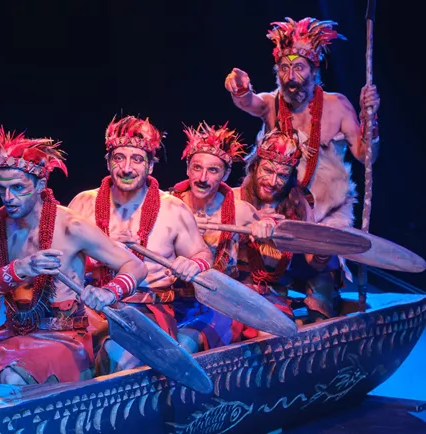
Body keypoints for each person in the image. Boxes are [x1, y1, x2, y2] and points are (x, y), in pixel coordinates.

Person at [0, 124, 147, 387]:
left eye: (18, 187)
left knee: (11, 378)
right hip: (14, 335)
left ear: (41, 184)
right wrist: (20, 269)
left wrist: (109, 292)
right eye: (2, 188)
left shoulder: (71, 226)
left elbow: (135, 265)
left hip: (64, 340)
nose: (9, 197)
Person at [224, 17, 381, 318]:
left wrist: (369, 118)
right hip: (278, 209)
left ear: (314, 70)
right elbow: (250, 102)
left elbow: (365, 156)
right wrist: (239, 89)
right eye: (284, 68)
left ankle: (322, 298)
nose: (290, 76)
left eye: (299, 68)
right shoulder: (272, 104)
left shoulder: (337, 105)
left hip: (324, 213)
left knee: (320, 283)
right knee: (261, 276)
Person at [68, 115, 212, 370]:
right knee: (62, 359)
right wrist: (101, 252)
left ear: (151, 166)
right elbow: (63, 257)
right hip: (89, 309)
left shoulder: (173, 209)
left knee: (116, 357)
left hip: (147, 311)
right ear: (108, 162)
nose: (126, 168)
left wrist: (194, 265)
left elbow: (203, 254)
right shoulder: (83, 203)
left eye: (136, 159)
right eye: (119, 158)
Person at [169, 121, 276, 344]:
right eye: (197, 168)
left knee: (185, 343)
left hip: (219, 304)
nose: (202, 178)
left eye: (213, 170)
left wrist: (266, 227)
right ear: (187, 168)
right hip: (171, 300)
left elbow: (272, 251)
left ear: (226, 174)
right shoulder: (168, 206)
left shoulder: (241, 211)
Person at [233, 129, 338, 336]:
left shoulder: (298, 205)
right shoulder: (233, 199)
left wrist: (323, 251)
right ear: (254, 166)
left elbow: (314, 263)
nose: (273, 182)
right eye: (267, 170)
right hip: (236, 291)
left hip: (275, 292)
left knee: (293, 326)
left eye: (282, 175)